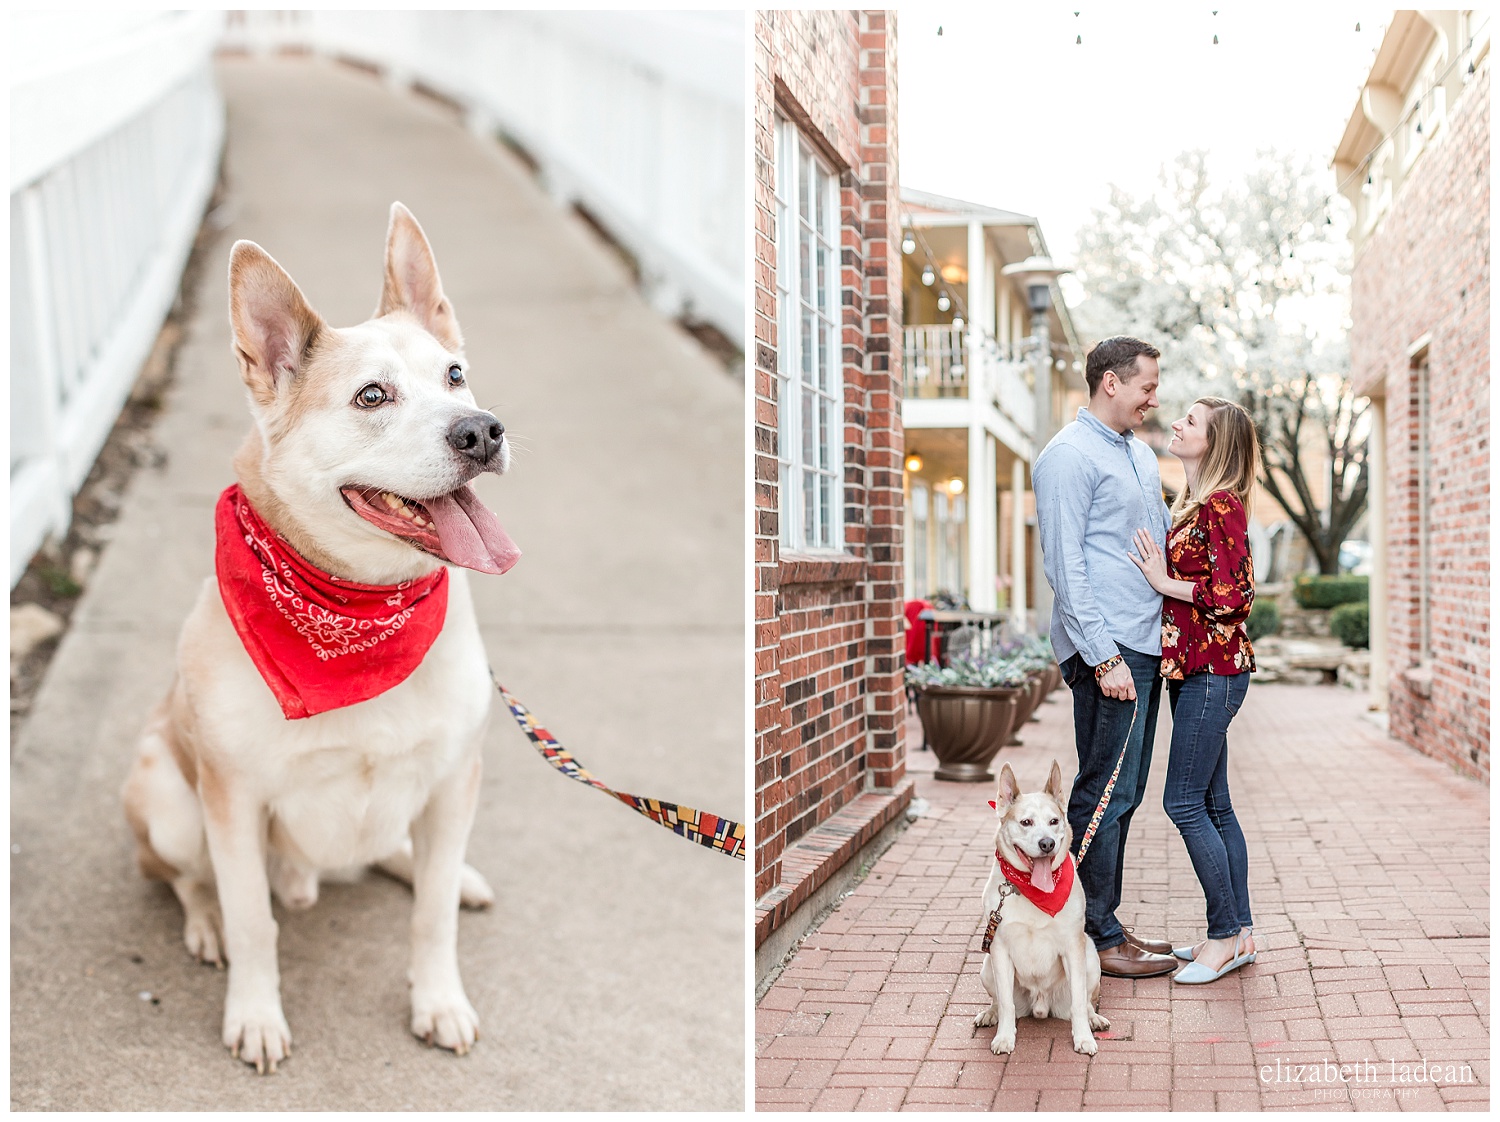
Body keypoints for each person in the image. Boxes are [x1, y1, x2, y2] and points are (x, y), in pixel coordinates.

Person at [1032, 336, 1177, 978]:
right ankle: (1097, 936)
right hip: (1108, 651)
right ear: (1111, 383)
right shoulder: (1066, 456)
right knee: (1104, 790)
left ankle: (1105, 923)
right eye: (1147, 385)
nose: (1154, 398)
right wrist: (1103, 656)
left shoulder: (1141, 455)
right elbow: (1066, 566)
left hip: (1144, 644)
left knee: (1127, 791)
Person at [1127, 396, 1259, 984]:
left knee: (1182, 802)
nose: (1177, 424)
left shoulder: (1223, 506)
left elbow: (1236, 596)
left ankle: (1223, 936)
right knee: (1214, 804)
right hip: (1199, 671)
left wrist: (1163, 582)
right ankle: (1243, 933)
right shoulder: (1196, 505)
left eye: (1190, 422)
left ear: (1216, 442)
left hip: (1216, 672)